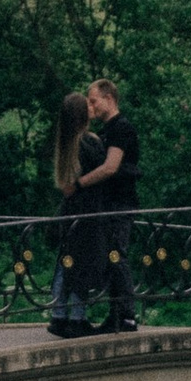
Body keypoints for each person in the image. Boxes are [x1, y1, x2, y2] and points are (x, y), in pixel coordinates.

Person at [73, 76, 142, 333]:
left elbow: (110, 167)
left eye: (93, 101)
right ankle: (115, 314)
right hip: (108, 203)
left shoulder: (121, 128)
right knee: (110, 256)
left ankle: (127, 315)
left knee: (117, 255)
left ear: (109, 98)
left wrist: (79, 184)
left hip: (120, 203)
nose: (90, 106)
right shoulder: (106, 131)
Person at [45, 91, 96, 332]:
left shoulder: (66, 145)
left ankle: (58, 313)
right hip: (86, 212)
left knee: (65, 263)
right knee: (81, 265)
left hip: (69, 212)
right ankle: (77, 317)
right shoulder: (88, 142)